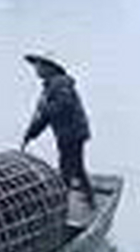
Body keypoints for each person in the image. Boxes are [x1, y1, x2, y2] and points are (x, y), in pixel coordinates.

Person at [20, 53, 95, 209]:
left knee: (67, 167)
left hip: (72, 133)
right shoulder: (50, 86)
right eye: (36, 66)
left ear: (50, 68)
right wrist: (32, 133)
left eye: (39, 66)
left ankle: (63, 204)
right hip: (67, 133)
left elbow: (64, 104)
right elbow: (45, 119)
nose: (36, 69)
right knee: (77, 166)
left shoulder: (60, 84)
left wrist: (45, 109)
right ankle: (89, 199)